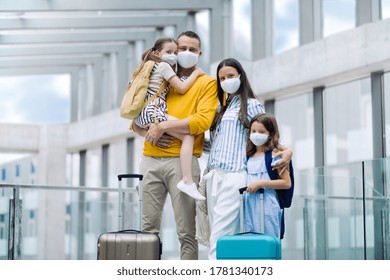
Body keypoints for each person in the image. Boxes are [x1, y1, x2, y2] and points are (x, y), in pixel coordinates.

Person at [131, 31, 218, 260]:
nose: (186, 53)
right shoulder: (160, 76)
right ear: (172, 51)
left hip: (183, 162)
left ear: (200, 53)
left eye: (193, 49)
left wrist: (163, 127)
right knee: (148, 230)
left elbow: (202, 122)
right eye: (182, 49)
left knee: (186, 232)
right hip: (150, 158)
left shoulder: (206, 83)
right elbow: (136, 119)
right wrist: (146, 129)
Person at [204, 58, 293, 260]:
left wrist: (287, 151)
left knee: (218, 236)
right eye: (222, 78)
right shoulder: (221, 109)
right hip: (215, 177)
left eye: (230, 76)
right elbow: (218, 144)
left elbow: (268, 133)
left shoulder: (251, 105)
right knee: (225, 234)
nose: (226, 80)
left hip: (234, 174)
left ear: (240, 77)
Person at [133, 37, 205, 200]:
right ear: (158, 53)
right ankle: (187, 180)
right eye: (169, 52)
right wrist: (197, 73)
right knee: (188, 136)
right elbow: (181, 88)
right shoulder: (164, 66)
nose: (173, 55)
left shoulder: (148, 66)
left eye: (175, 52)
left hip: (141, 115)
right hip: (153, 112)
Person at [244, 113, 292, 238]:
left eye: (261, 131)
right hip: (249, 205)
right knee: (251, 244)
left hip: (268, 204)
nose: (256, 134)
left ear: (270, 134)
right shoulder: (248, 155)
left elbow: (286, 183)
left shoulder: (275, 154)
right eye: (253, 131)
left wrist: (261, 183)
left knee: (268, 242)